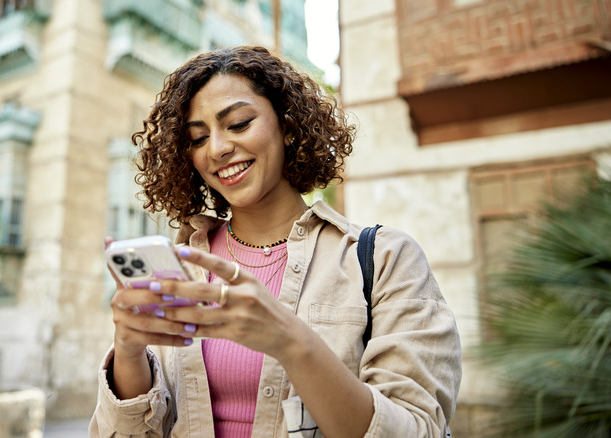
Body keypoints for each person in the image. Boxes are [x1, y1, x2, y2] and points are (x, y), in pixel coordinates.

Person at [90, 46, 461, 437]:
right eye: (198, 139)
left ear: (287, 125)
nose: (217, 148)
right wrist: (129, 353)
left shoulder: (384, 259)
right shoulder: (181, 268)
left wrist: (290, 340)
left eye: (238, 124)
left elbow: (419, 429)